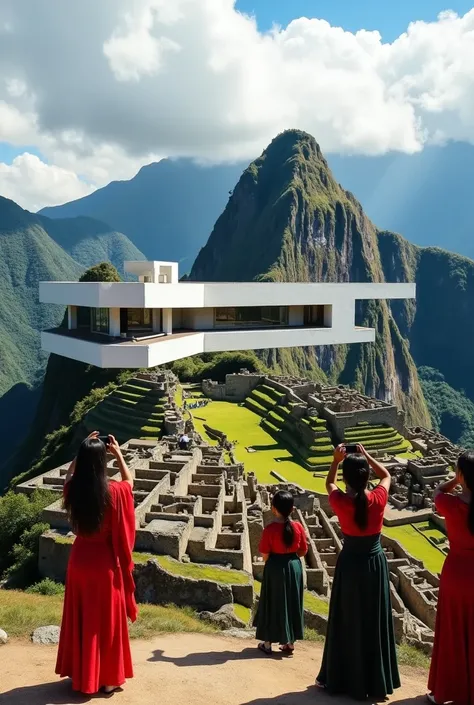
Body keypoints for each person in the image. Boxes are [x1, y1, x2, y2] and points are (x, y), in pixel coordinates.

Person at [316, 444, 400, 701]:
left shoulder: (340, 501)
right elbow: (386, 476)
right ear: (366, 477)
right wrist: (367, 457)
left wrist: (335, 461)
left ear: (347, 478)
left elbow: (329, 483)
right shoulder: (378, 498)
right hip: (374, 563)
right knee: (373, 619)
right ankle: (375, 680)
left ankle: (341, 677)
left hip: (351, 563)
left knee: (347, 618)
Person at [56, 431, 137, 695]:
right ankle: (109, 678)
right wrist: (119, 454)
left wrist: (78, 457)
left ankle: (82, 673)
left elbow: (67, 478)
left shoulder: (75, 489)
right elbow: (129, 482)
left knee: (82, 618)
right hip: (104, 564)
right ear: (104, 460)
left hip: (79, 560)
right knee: (107, 621)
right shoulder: (114, 492)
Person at [427, 451, 474, 705]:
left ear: (462, 476)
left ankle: (447, 691)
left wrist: (456, 480)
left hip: (456, 573)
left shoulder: (451, 504)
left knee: (452, 632)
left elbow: (437, 491)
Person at [253, 490, 308, 655]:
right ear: (292, 509)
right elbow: (303, 550)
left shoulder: (269, 530)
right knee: (292, 602)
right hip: (294, 567)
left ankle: (268, 643)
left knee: (272, 602)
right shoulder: (298, 527)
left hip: (275, 567)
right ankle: (289, 642)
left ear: (273, 508)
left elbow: (265, 553)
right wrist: (290, 558)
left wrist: (275, 562)